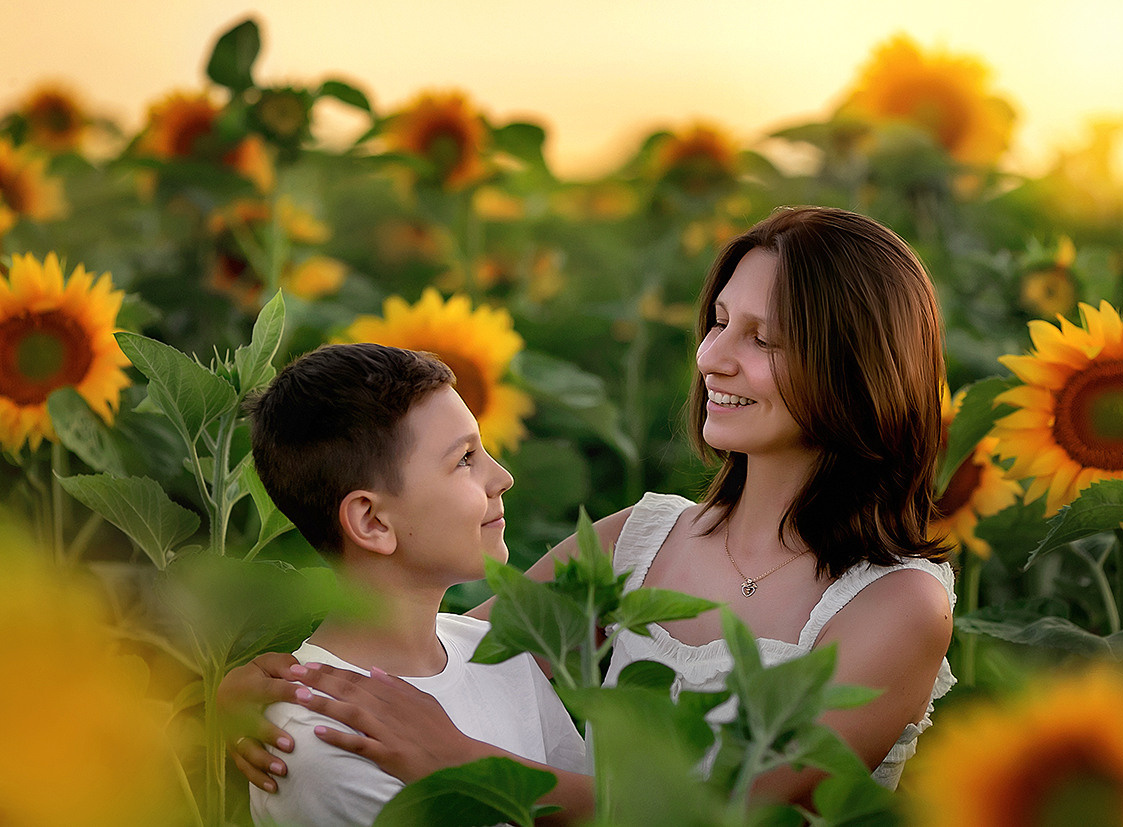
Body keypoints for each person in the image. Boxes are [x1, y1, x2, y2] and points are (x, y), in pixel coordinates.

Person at [226, 206, 956, 811]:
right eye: (720, 321)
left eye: (762, 338)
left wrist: (460, 761)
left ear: (858, 369)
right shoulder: (634, 542)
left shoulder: (895, 604)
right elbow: (439, 654)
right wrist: (270, 684)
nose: (712, 357)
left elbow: (736, 812)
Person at [238, 342, 590, 827]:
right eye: (465, 458)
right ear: (372, 521)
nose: (502, 477)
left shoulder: (496, 651)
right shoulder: (328, 745)